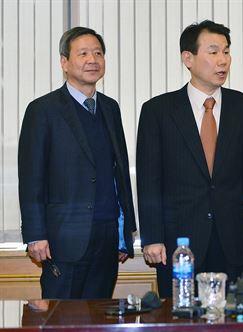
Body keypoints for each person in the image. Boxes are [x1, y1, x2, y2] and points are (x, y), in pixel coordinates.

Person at [136, 20, 243, 298]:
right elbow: (149, 180)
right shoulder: (158, 111)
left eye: (227, 52)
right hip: (178, 242)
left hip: (234, 241)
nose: (223, 61)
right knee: (180, 320)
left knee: (235, 319)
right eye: (214, 52)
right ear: (188, 58)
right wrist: (152, 237)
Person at [19, 27, 136, 299]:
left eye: (98, 53)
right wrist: (35, 234)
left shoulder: (110, 108)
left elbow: (117, 174)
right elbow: (31, 177)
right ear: (64, 62)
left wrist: (122, 233)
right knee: (61, 322)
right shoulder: (43, 110)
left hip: (107, 239)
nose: (92, 60)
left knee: (100, 320)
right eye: (83, 53)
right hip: (64, 240)